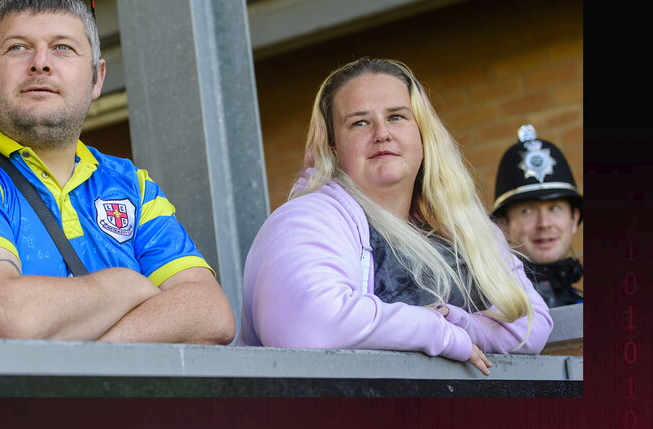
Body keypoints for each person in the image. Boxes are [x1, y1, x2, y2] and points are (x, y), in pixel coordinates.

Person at [0, 0, 235, 344]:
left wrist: (86, 355)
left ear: (96, 78)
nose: (40, 63)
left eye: (62, 48)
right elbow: (11, 321)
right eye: (17, 48)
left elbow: (212, 314)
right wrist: (128, 285)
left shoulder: (134, 188)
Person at [237, 58, 553, 375]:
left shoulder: (461, 223)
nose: (382, 133)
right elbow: (308, 325)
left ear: (423, 134)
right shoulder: (306, 218)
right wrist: (437, 332)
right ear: (332, 146)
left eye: (397, 117)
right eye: (359, 122)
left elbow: (533, 325)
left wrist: (460, 321)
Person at [491, 124, 584, 308]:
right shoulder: (487, 312)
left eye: (555, 208)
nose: (544, 223)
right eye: (527, 211)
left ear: (574, 219)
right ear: (503, 225)